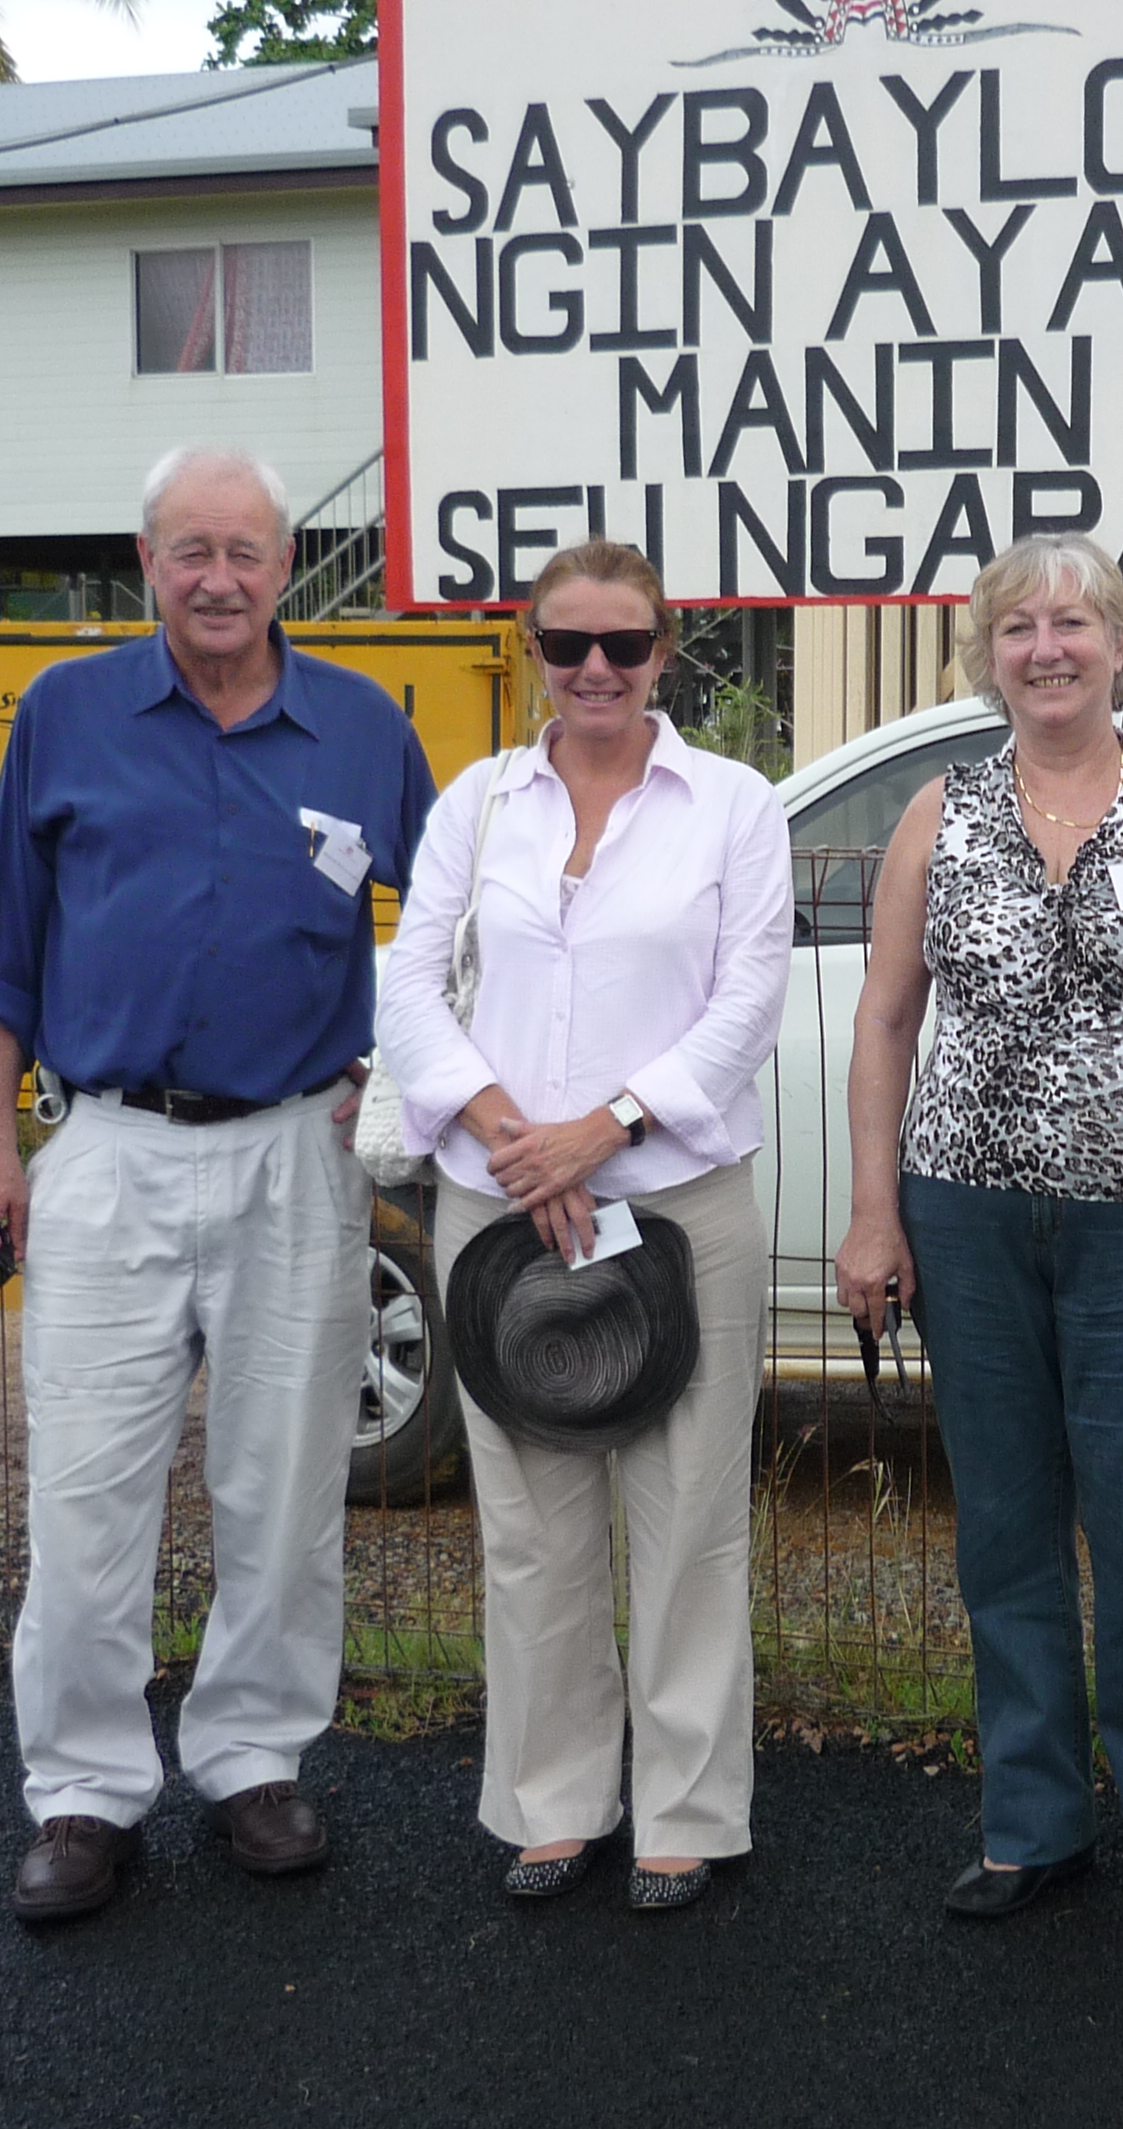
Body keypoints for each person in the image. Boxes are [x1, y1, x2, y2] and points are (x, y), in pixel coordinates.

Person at [0, 446, 437, 1924]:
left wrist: (395, 1074)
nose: (218, 578)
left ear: (287, 566)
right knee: (88, 1489)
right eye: (188, 552)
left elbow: (447, 925)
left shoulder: (362, 728)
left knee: (285, 1485)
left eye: (245, 550)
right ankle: (85, 1792)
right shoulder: (66, 715)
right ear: (147, 563)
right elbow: (5, 946)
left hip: (298, 1152)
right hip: (107, 1150)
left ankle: (252, 1756)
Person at [833, 532, 1123, 1932]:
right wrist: (873, 1209)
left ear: (1120, 646)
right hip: (965, 1224)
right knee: (1009, 1532)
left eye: (1074, 622)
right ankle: (1032, 1820)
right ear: (988, 655)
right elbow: (883, 1019)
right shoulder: (941, 813)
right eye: (1019, 626)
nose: (1047, 647)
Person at [375, 539, 787, 1910]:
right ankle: (554, 1800)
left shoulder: (732, 805)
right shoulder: (477, 806)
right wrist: (512, 1137)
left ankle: (684, 1808)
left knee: (687, 1520)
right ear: (532, 654)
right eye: (569, 646)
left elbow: (745, 1007)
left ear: (667, 651)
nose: (597, 670)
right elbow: (413, 988)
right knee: (533, 1523)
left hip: (673, 1203)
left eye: (624, 645)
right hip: (501, 1211)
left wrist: (599, 1130)